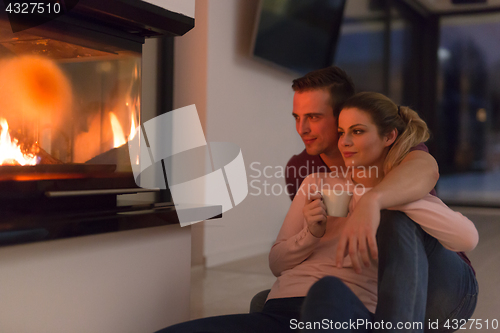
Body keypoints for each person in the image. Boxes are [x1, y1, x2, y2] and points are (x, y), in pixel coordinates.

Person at [154, 92, 478, 333]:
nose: (345, 142)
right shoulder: (315, 181)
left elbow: (467, 237)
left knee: (328, 291)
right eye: (341, 132)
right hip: (281, 313)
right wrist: (312, 232)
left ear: (389, 137)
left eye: (358, 131)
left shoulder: (401, 193)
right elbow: (277, 263)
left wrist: (373, 200)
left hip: (344, 311)